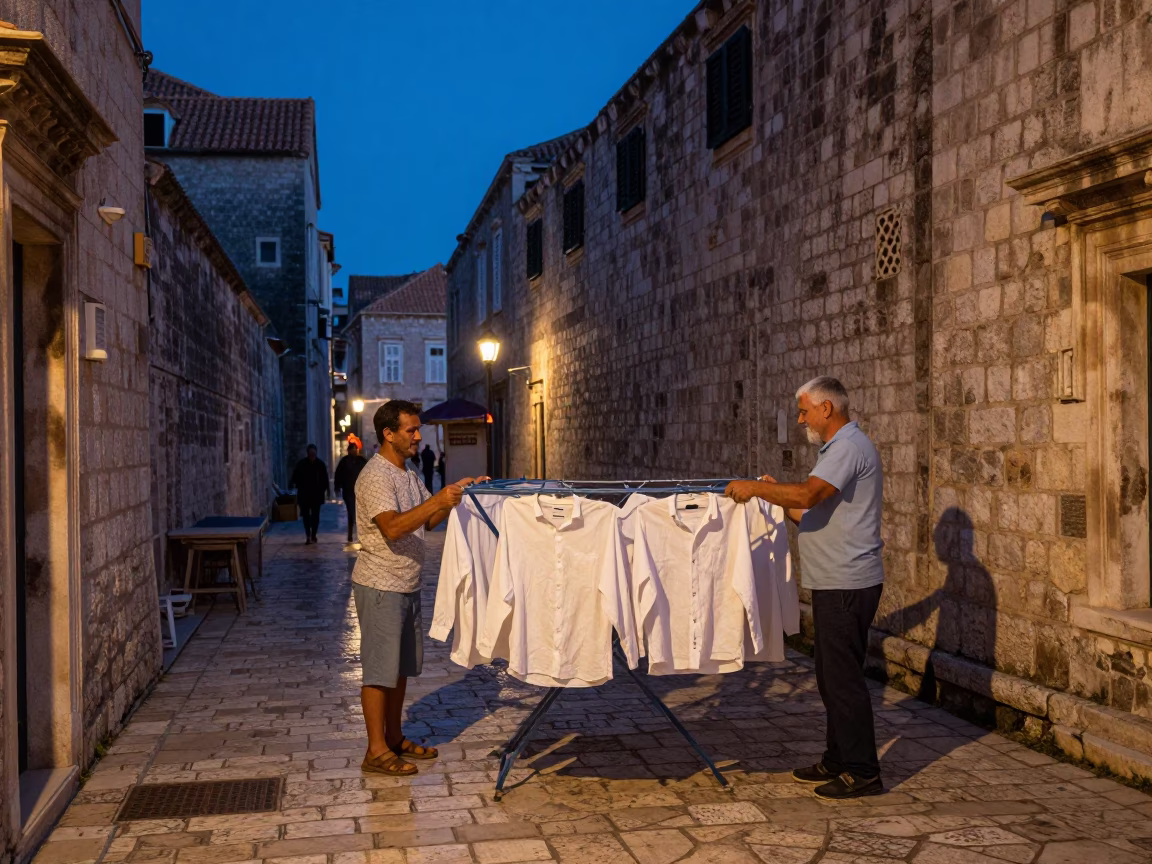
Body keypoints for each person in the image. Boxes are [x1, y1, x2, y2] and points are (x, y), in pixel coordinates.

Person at [725, 376, 885, 800]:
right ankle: (838, 758)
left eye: (804, 410)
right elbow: (809, 513)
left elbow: (811, 495)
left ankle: (864, 770)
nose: (800, 419)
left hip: (847, 582)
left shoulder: (847, 447)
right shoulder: (837, 450)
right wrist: (773, 495)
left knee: (843, 680)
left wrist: (758, 488)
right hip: (837, 580)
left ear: (826, 408)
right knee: (830, 678)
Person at [352, 399, 487, 776]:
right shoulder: (376, 476)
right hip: (381, 584)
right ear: (388, 434)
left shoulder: (408, 471)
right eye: (410, 430)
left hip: (405, 583)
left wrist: (458, 493)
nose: (417, 436)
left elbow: (428, 520)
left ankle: (393, 738)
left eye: (417, 429)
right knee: (379, 670)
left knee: (398, 669)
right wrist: (437, 502)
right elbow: (393, 527)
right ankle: (375, 750)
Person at [290, 444, 330, 544]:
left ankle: (313, 535)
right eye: (311, 453)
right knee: (306, 516)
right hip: (305, 495)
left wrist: (326, 490)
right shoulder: (301, 464)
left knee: (315, 516)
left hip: (316, 495)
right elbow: (295, 477)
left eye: (313, 453)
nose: (312, 455)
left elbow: (325, 479)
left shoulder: (320, 465)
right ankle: (308, 534)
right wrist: (293, 485)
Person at [334, 440, 368, 546]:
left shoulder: (362, 461)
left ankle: (355, 534)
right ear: (349, 451)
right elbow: (338, 474)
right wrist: (337, 487)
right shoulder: (344, 461)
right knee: (351, 511)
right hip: (348, 490)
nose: (354, 451)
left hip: (360, 491)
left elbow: (369, 472)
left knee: (358, 512)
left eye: (355, 449)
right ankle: (352, 533)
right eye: (352, 450)